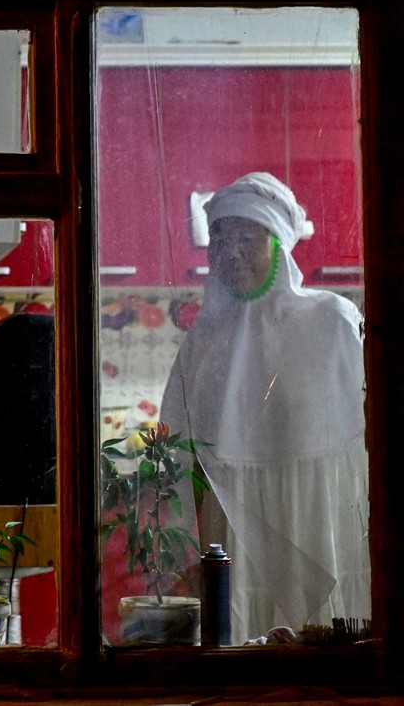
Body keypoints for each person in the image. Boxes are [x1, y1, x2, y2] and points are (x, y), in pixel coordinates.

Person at [159, 172, 370, 643]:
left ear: (280, 245)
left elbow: (370, 441)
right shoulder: (202, 343)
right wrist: (184, 555)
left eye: (248, 238)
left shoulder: (331, 321)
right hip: (232, 530)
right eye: (220, 238)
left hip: (316, 515)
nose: (231, 252)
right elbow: (176, 455)